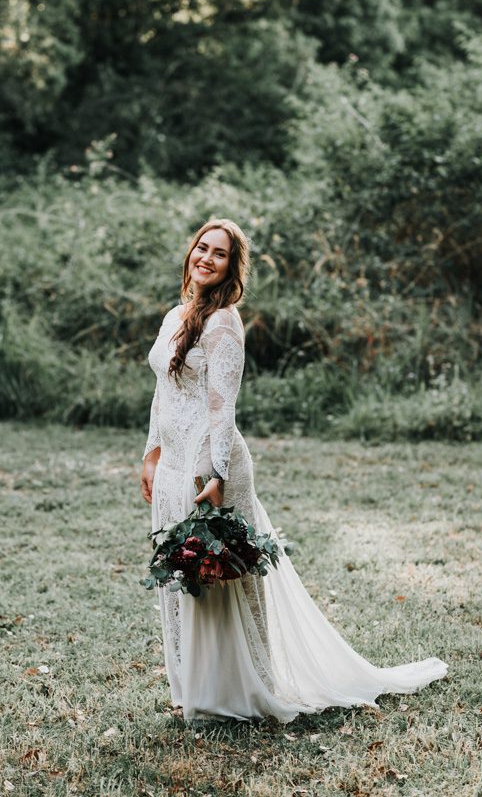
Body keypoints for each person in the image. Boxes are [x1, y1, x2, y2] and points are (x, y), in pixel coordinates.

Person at [140, 218, 448, 722]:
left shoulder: (224, 324)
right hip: (172, 462)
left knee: (220, 575)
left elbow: (222, 408)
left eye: (220, 253)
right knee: (185, 573)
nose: (207, 258)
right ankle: (193, 688)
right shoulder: (177, 314)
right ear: (191, 252)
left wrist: (214, 473)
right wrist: (151, 453)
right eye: (202, 247)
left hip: (208, 464)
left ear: (231, 267)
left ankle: (238, 691)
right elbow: (164, 392)